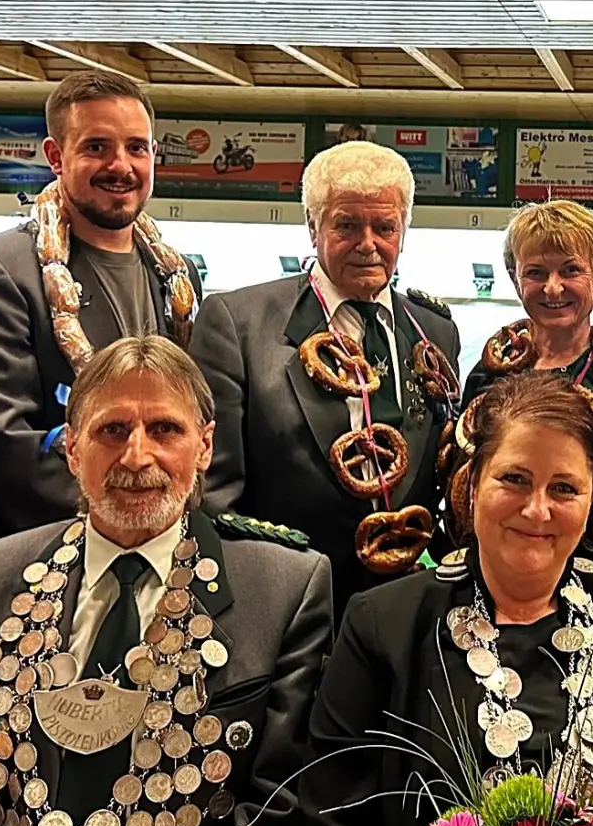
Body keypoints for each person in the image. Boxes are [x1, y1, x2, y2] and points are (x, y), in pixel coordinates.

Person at [0, 335, 333, 826]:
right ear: (72, 448)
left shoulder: (286, 590)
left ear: (204, 446)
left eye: (164, 429)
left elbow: (279, 816)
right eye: (112, 430)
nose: (137, 457)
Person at [302, 371, 593, 826]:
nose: (537, 510)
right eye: (515, 479)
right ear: (472, 485)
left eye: (564, 488)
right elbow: (330, 823)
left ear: (591, 499)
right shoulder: (381, 625)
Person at [193, 139, 460, 615]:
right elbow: (213, 492)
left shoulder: (436, 332)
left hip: (404, 605)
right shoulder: (239, 323)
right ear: (312, 227)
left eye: (385, 227)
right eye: (347, 225)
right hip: (282, 603)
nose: (368, 244)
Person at [0, 70, 203, 545]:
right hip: (45, 549)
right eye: (97, 147)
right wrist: (131, 517)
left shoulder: (176, 276)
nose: (120, 165)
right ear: (56, 156)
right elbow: (1, 446)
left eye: (137, 148)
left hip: (163, 544)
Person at [459, 199, 593, 590]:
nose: (553, 287)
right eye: (536, 272)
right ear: (515, 279)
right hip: (497, 587)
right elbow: (467, 499)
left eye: (571, 270)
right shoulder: (487, 380)